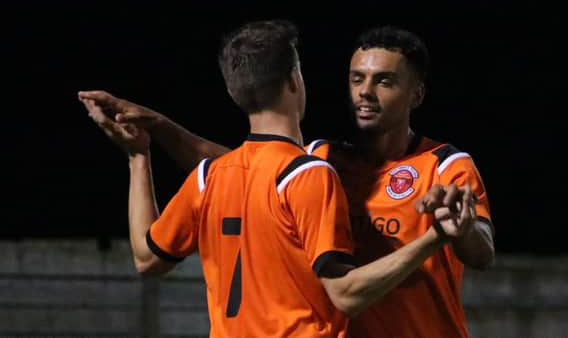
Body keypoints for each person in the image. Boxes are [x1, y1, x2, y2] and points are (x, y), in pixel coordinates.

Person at [79, 20, 474, 338]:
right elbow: (345, 294)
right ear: (294, 81)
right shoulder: (311, 174)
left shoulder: (210, 177)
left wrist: (138, 156)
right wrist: (434, 238)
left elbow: (146, 258)